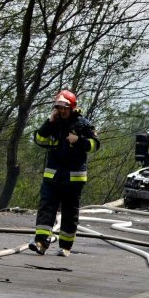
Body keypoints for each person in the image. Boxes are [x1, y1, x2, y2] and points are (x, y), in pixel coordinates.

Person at [28, 90, 101, 257]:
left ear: (72, 107)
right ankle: (41, 242)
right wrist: (48, 122)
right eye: (58, 107)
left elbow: (95, 145)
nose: (61, 111)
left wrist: (79, 141)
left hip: (74, 178)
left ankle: (66, 246)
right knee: (46, 208)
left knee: (69, 212)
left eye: (65, 108)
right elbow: (39, 140)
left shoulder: (83, 124)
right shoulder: (53, 124)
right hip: (52, 175)